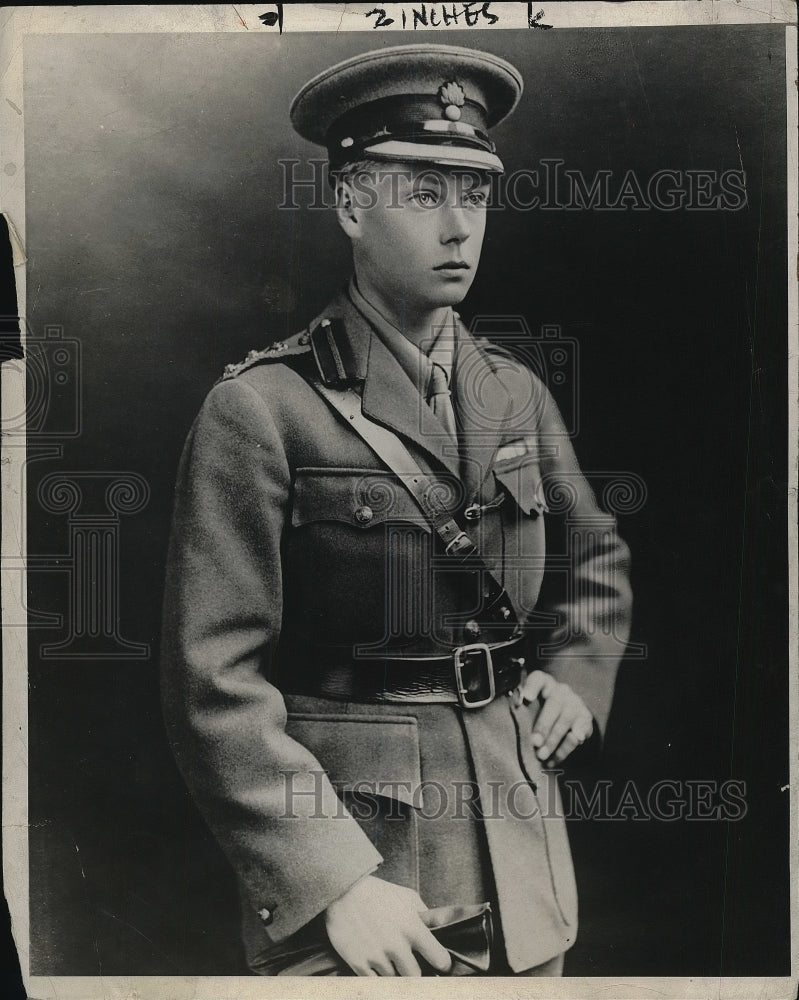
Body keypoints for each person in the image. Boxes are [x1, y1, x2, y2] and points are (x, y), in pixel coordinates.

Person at [161, 42, 632, 978]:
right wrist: (333, 882)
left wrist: (577, 674)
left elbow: (594, 560)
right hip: (367, 874)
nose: (459, 226)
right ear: (347, 204)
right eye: (423, 194)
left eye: (474, 194)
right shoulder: (262, 409)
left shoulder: (514, 395)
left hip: (519, 848)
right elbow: (212, 684)